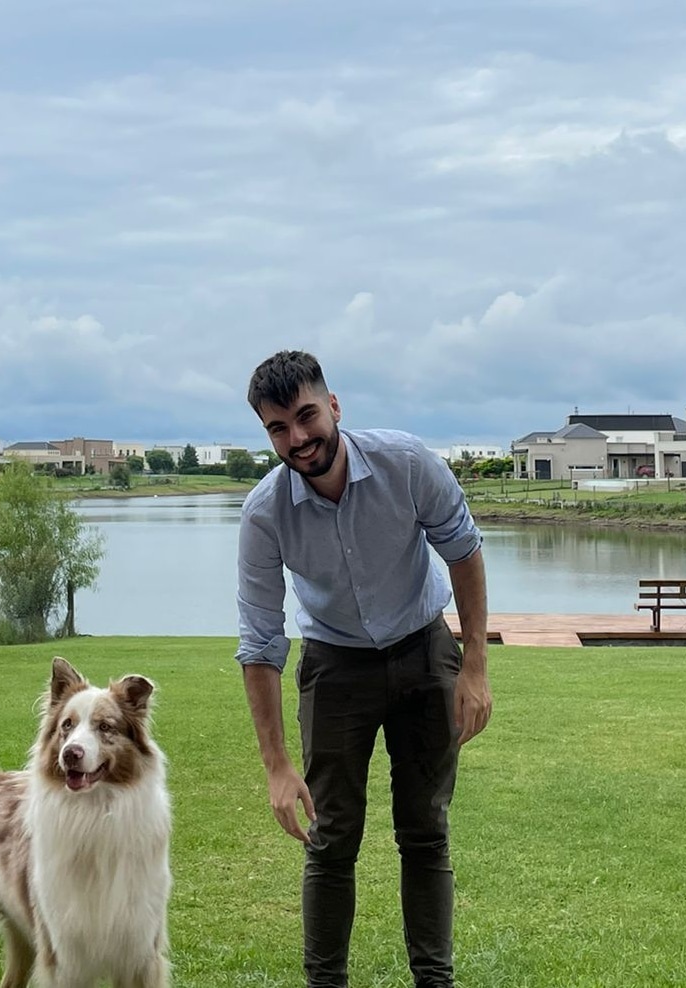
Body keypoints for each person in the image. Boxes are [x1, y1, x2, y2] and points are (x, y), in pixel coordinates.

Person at [235, 350, 492, 988]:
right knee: (331, 838)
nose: (296, 439)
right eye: (277, 428)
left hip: (422, 650)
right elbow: (261, 639)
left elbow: (463, 549)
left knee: (425, 828)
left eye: (306, 416)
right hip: (335, 667)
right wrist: (275, 764)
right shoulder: (264, 514)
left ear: (335, 407)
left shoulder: (406, 463)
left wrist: (475, 669)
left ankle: (435, 980)